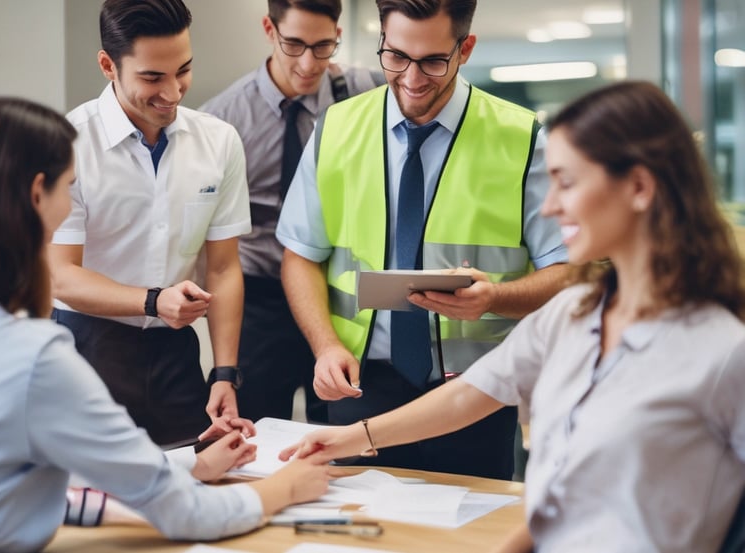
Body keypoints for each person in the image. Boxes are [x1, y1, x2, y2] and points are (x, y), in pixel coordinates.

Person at [280, 80, 745, 552]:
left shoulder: (723, 351)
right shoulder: (572, 315)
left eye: (567, 182)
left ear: (640, 187)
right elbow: (472, 396)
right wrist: (351, 439)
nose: (549, 205)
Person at [0, 96, 330, 553]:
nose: (71, 203)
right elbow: (189, 514)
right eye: (69, 185)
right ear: (37, 193)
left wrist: (188, 467)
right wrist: (286, 487)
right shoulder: (34, 358)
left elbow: (38, 478)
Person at [275, 0, 568, 478]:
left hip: (476, 398)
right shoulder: (337, 129)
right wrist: (326, 346)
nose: (411, 79)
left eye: (433, 61)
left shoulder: (523, 140)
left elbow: (570, 272)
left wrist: (496, 297)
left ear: (465, 48)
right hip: (359, 390)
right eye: (395, 57)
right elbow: (301, 255)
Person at [48, 0, 252, 445]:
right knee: (91, 499)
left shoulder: (219, 142)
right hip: (86, 347)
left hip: (175, 353)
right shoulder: (68, 143)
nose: (175, 92)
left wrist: (224, 374)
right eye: (152, 77)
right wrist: (153, 300)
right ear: (108, 65)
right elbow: (60, 275)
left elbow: (222, 268)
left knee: (194, 481)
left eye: (183, 70)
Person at [199, 0, 383, 424]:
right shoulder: (223, 122)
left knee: (344, 427)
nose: (309, 62)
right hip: (259, 301)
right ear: (269, 29)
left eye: (324, 47)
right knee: (259, 429)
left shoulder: (364, 93)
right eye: (295, 44)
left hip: (337, 297)